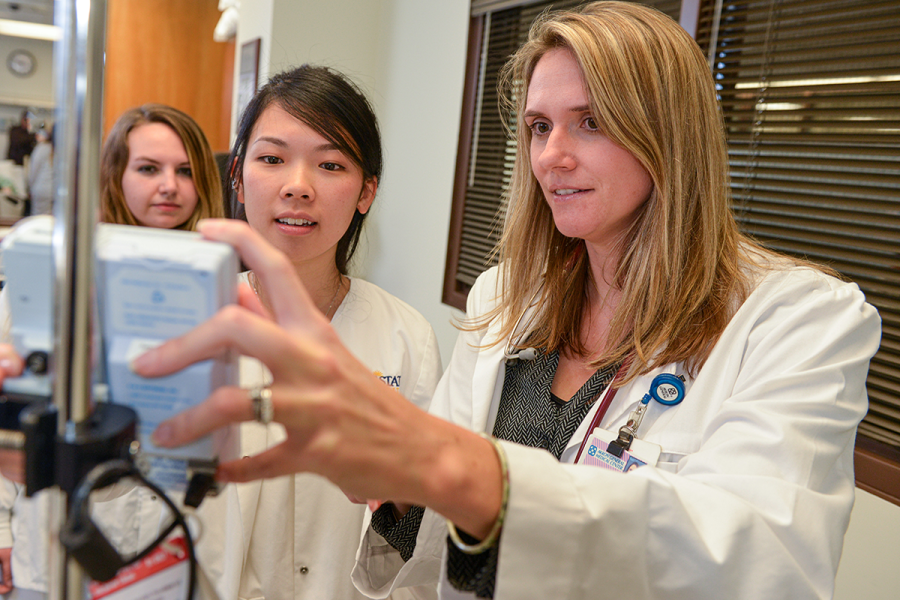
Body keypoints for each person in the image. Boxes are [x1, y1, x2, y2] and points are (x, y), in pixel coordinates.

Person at [13, 3, 887, 599]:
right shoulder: (510, 297)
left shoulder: (800, 320)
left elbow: (763, 559)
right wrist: (395, 493)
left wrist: (444, 465)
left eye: (592, 121)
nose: (551, 156)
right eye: (540, 127)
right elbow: (427, 546)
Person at [194, 64, 442, 600]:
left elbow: (420, 528)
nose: (298, 187)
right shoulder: (193, 320)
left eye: (330, 164)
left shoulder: (407, 337)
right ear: (237, 177)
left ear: (365, 192)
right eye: (272, 159)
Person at [0, 103, 224, 600]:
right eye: (148, 168)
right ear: (114, 176)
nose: (169, 185)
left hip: (173, 544)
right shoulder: (55, 276)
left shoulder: (224, 290)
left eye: (185, 171)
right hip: (58, 537)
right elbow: (10, 408)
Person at [26, 127, 53, 216]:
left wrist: (29, 188)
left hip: (42, 189)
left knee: (38, 220)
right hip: (58, 191)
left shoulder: (42, 148)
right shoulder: (65, 150)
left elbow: (33, 171)